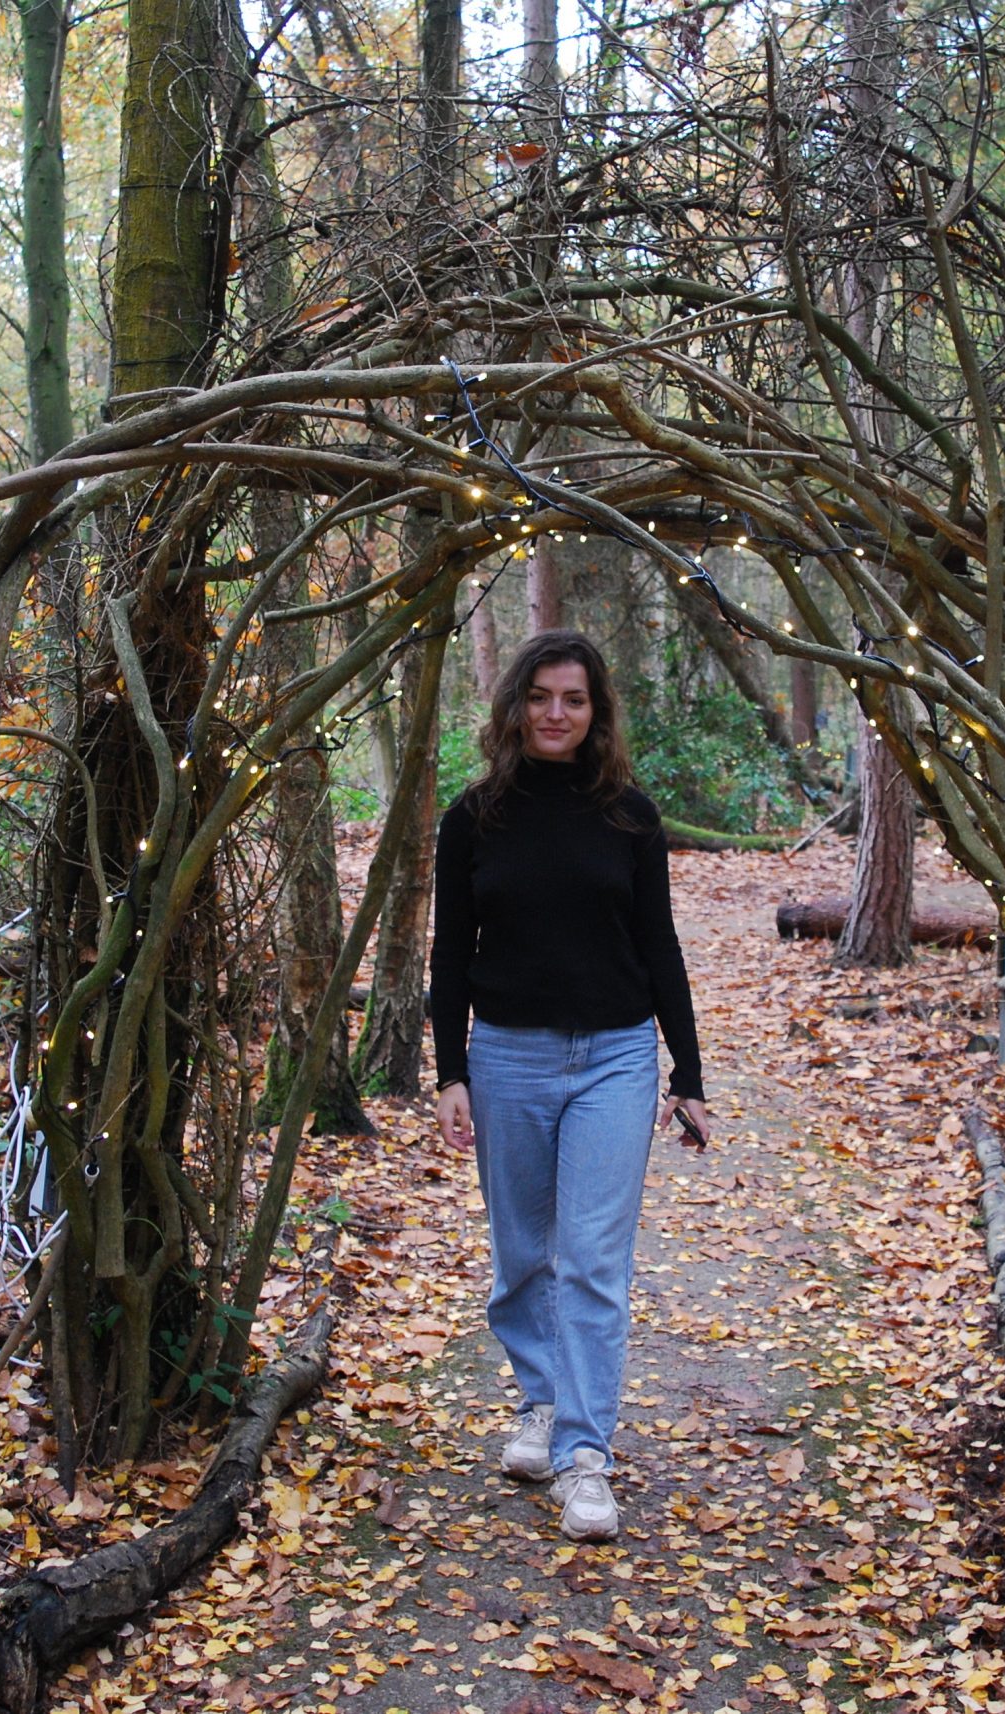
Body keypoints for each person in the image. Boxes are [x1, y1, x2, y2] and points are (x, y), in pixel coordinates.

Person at [430, 629, 712, 1542]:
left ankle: (586, 1455)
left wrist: (688, 1071)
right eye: (542, 697)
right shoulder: (472, 819)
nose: (557, 713)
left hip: (617, 1058)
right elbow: (449, 956)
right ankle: (541, 1404)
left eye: (575, 700)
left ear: (597, 714)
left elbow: (659, 945)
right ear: (515, 705)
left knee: (592, 1262)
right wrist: (450, 1071)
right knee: (522, 1260)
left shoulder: (630, 814)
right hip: (507, 1056)